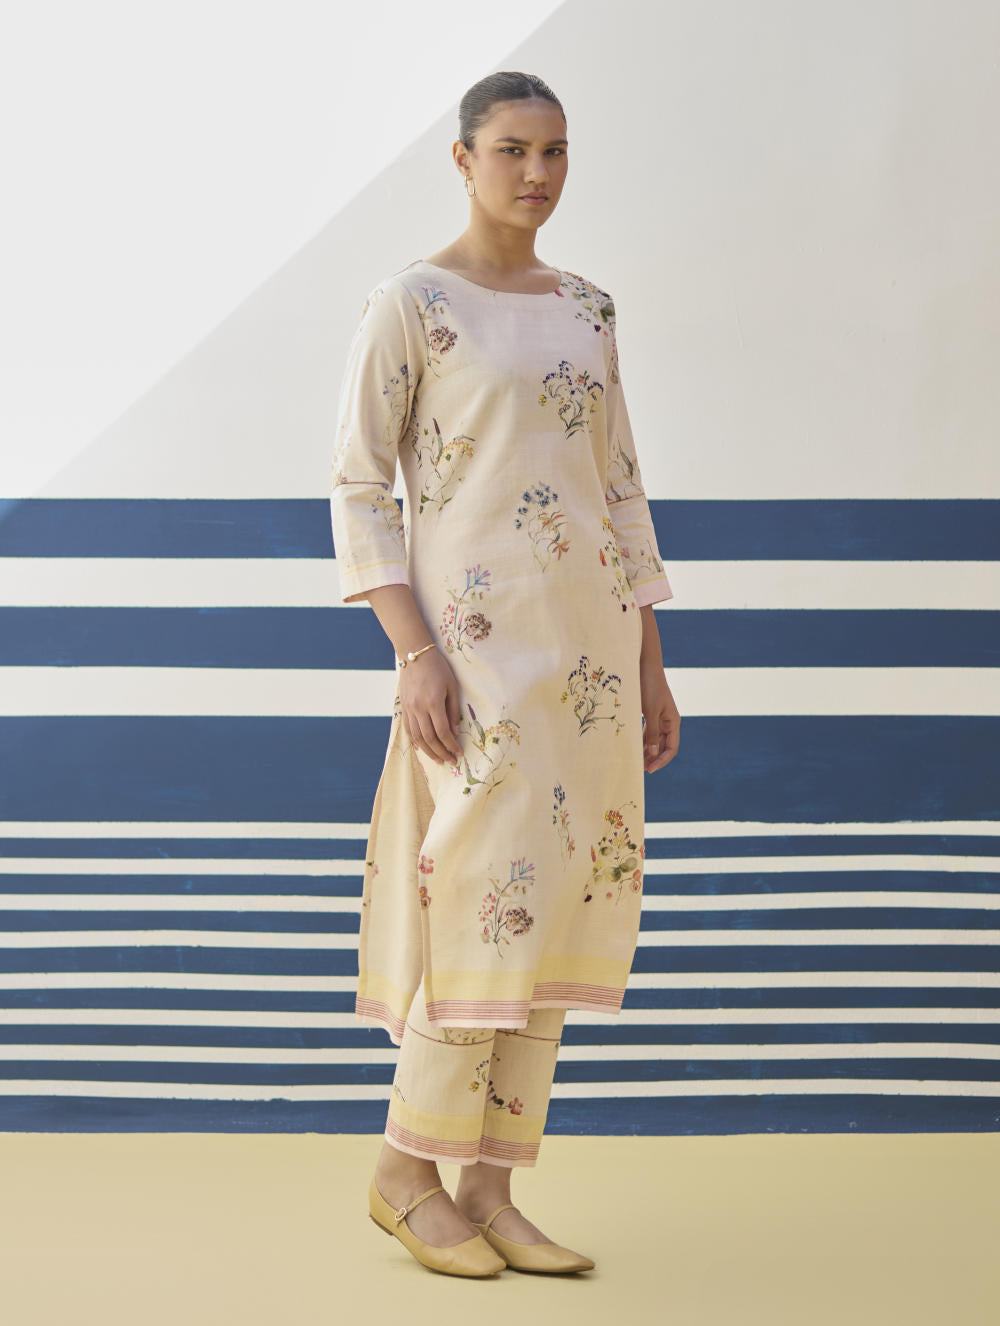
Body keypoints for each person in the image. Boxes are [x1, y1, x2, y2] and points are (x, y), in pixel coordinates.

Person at [330, 70, 681, 1277]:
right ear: (463, 160)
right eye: (513, 150)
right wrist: (415, 652)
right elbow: (358, 487)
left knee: (558, 904)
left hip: (588, 666)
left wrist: (650, 665)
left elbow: (618, 490)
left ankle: (488, 1187)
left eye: (555, 151)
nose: (537, 173)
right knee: (485, 900)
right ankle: (403, 1171)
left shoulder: (587, 308)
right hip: (474, 662)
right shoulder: (413, 305)